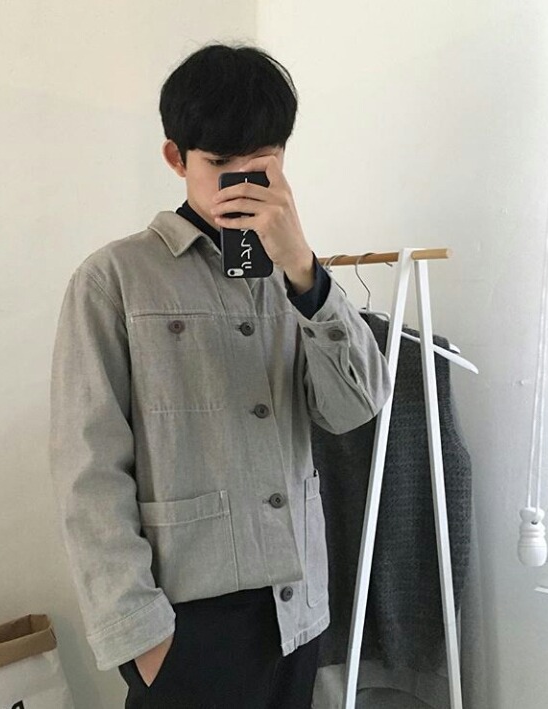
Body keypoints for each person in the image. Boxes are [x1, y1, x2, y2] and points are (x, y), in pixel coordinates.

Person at [49, 41, 393, 708]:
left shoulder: (293, 276)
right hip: (183, 621)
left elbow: (355, 407)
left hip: (296, 607)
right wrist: (140, 633)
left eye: (259, 164)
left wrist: (304, 271)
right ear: (176, 158)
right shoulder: (114, 279)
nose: (240, 183)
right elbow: (87, 470)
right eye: (217, 164)